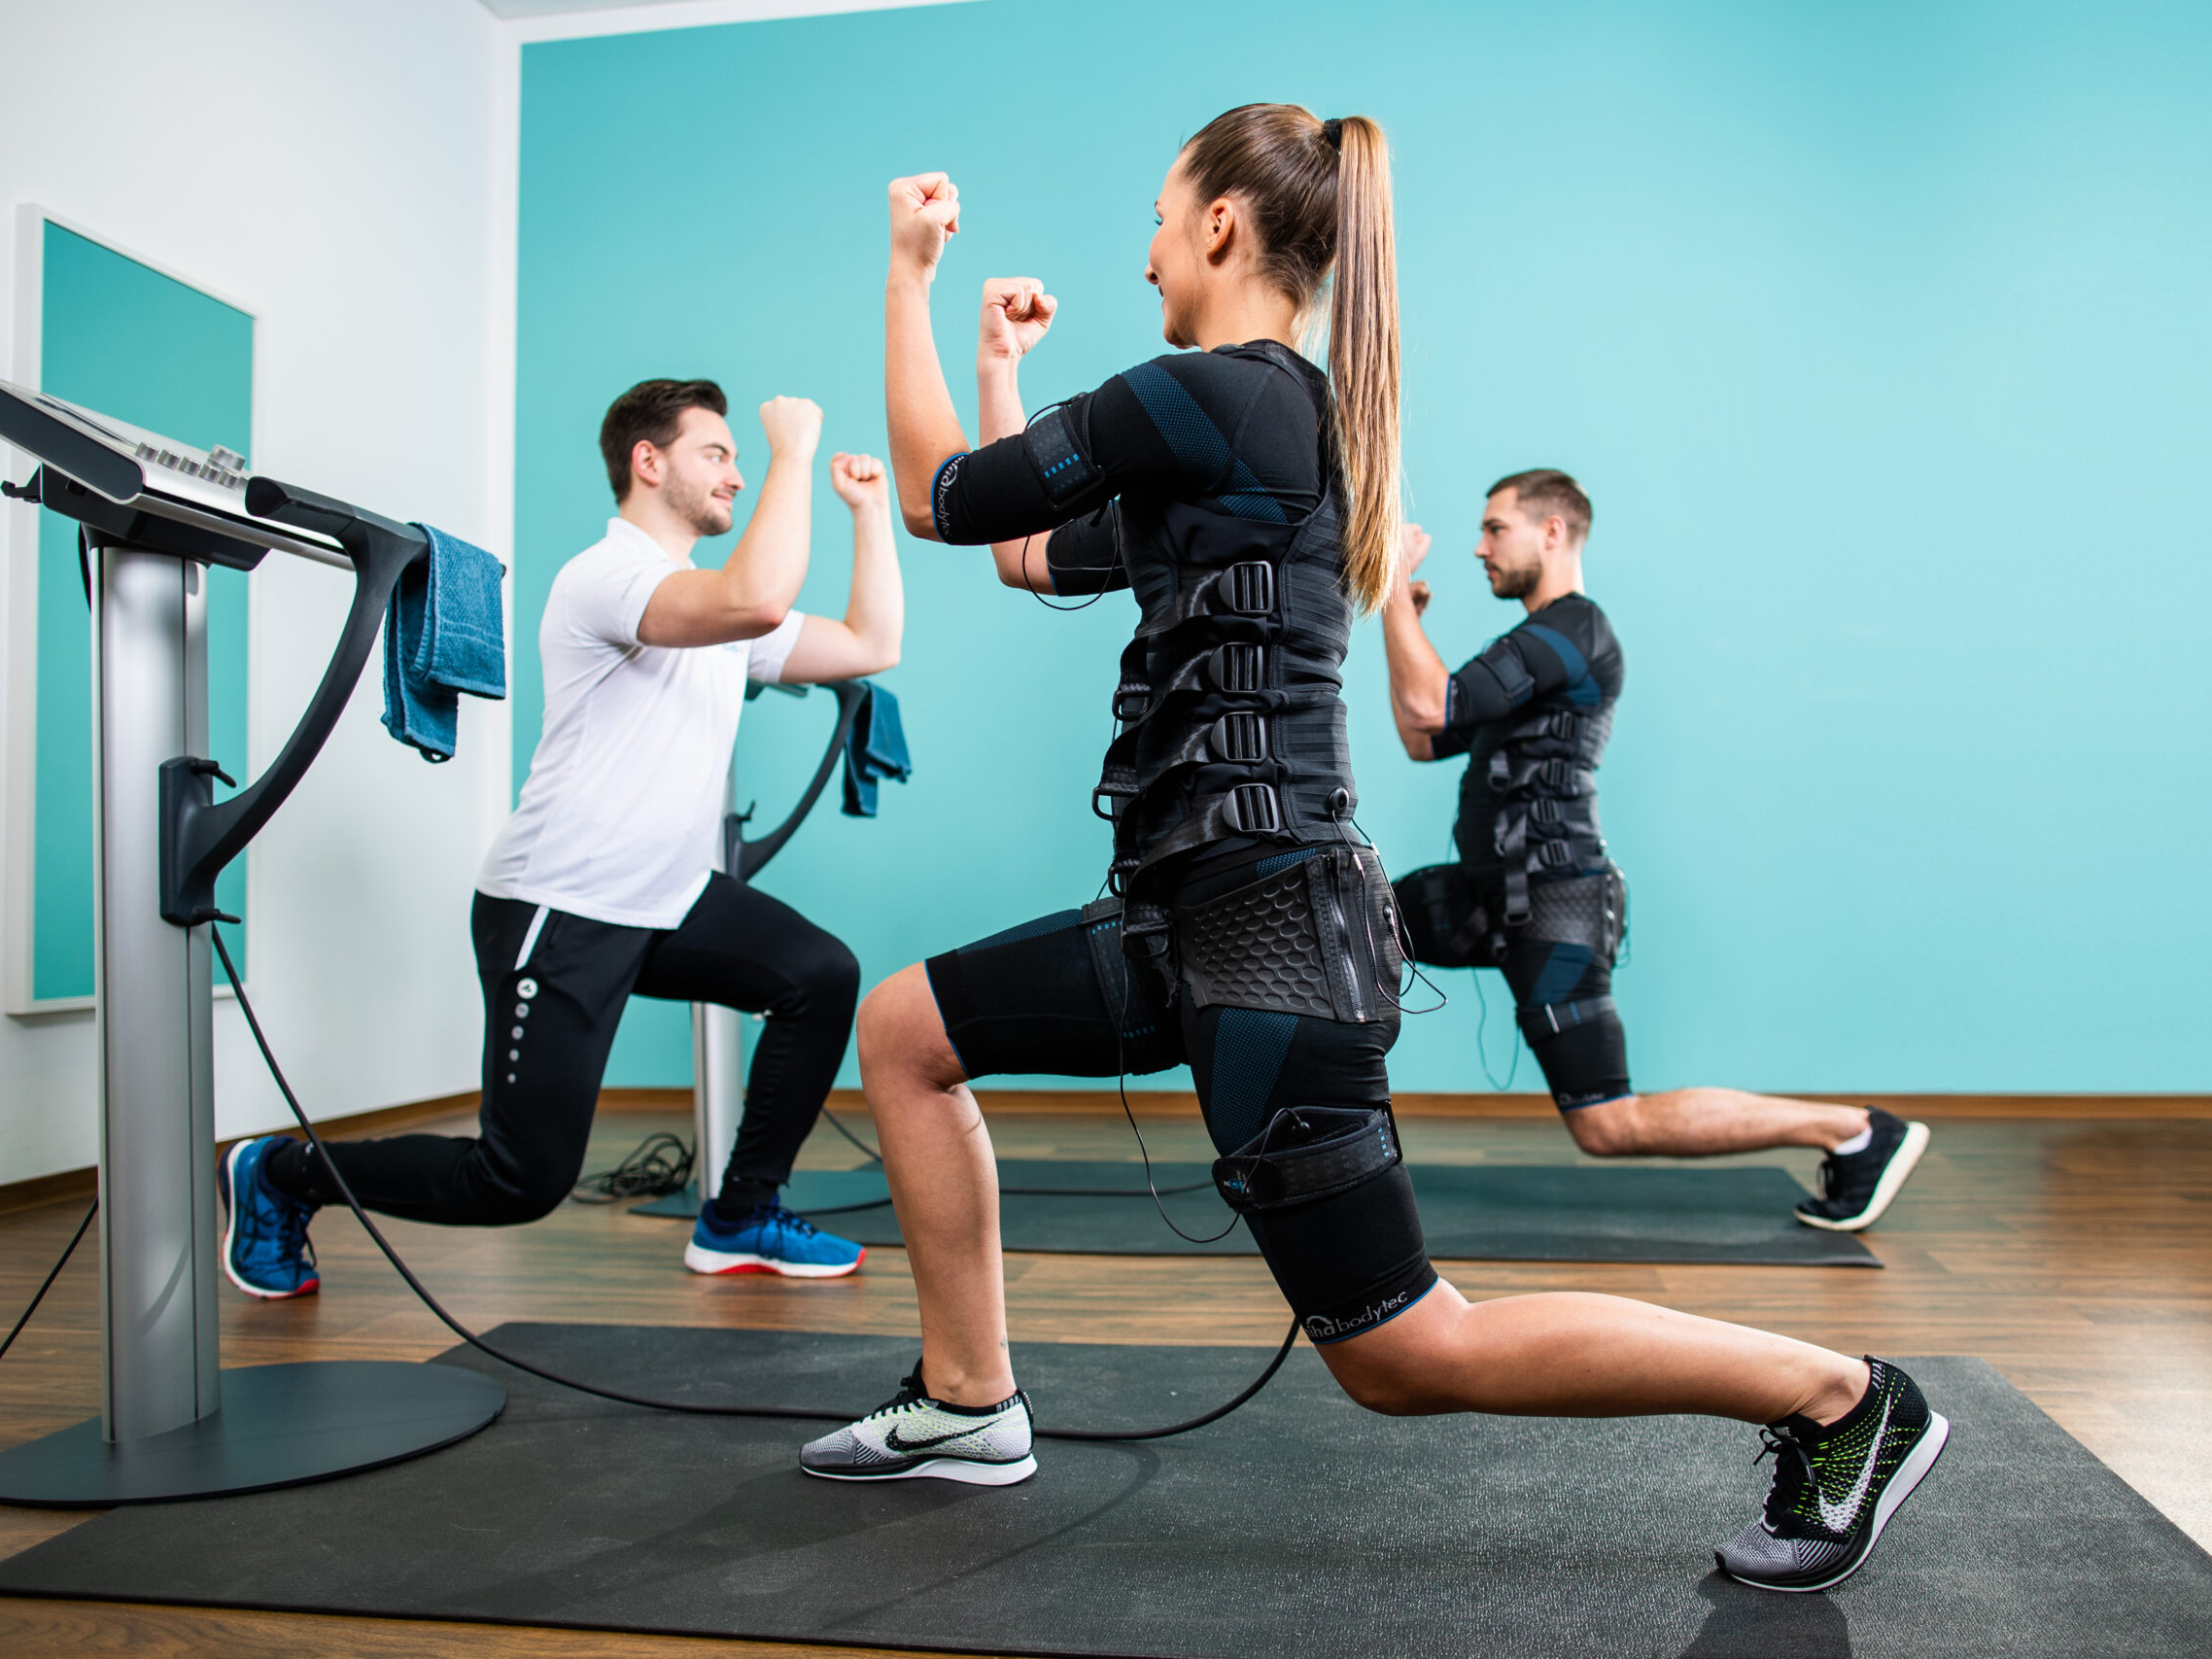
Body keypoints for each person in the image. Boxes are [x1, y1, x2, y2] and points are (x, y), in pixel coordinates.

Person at [798, 104, 1947, 1596]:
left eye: (1159, 215)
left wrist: (907, 273)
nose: (1143, 249)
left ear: (1219, 224)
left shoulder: (1215, 391)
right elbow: (1030, 549)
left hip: (1270, 932)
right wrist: (1003, 361)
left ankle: (1844, 1397)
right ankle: (969, 1402)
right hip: (1185, 913)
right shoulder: (1259, 420)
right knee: (905, 1028)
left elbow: (955, 500)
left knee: (1410, 1347)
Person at [218, 380, 903, 1293]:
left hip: (664, 895)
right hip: (561, 905)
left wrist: (869, 512)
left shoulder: (713, 606)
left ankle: (740, 1214)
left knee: (820, 974)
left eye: (743, 458)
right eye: (718, 454)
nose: (737, 475)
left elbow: (869, 643)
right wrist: (792, 453)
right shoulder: (607, 578)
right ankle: (278, 1171)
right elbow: (754, 597)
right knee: (514, 1182)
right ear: (647, 462)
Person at [1380, 475, 1929, 1230]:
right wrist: (1399, 615)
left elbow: (1423, 701)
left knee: (1608, 1122)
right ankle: (1333, 1152)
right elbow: (1424, 738)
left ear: (1552, 532)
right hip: (1490, 890)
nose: (1478, 547)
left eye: (1494, 528)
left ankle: (1855, 1130)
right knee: (1350, 919)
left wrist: (1388, 594)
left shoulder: (1571, 633)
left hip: (1552, 898)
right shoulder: (1532, 644)